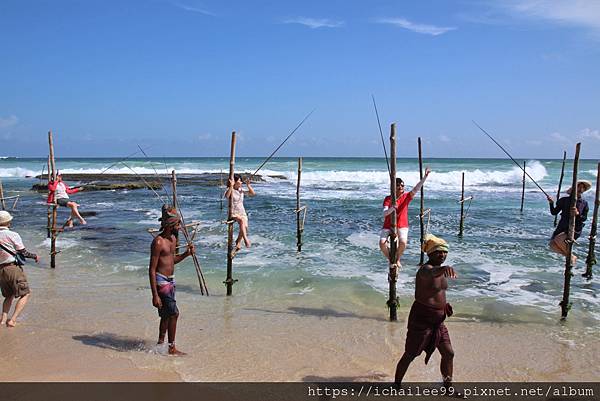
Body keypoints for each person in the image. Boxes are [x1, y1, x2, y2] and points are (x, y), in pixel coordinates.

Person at [394, 234, 457, 388]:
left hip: (438, 321)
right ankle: (396, 386)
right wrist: (444, 269)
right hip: (422, 320)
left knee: (449, 353)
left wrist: (444, 305)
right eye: (438, 252)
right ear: (429, 254)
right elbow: (431, 274)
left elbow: (436, 293)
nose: (442, 255)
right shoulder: (425, 270)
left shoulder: (440, 271)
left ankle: (448, 388)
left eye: (444, 252)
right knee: (410, 354)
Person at [149, 205, 194, 356]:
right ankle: (171, 348)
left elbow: (171, 260)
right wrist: (154, 294)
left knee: (167, 315)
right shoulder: (158, 242)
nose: (180, 227)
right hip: (161, 281)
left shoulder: (173, 239)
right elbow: (152, 269)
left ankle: (160, 344)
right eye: (177, 224)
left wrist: (187, 254)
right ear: (169, 225)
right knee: (174, 313)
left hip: (171, 281)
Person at [379, 167, 431, 268]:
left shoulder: (406, 197)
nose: (401, 187)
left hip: (402, 224)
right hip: (388, 225)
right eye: (398, 185)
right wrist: (392, 208)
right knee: (382, 243)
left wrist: (425, 177)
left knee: (403, 242)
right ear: (394, 187)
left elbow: (416, 188)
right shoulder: (388, 199)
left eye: (402, 185)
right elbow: (385, 213)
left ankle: (397, 259)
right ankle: (390, 259)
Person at [0, 211, 39, 328]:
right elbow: (23, 252)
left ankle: (3, 320)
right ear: (8, 222)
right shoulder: (13, 235)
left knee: (8, 296)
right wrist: (35, 256)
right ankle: (13, 320)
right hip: (12, 268)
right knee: (26, 294)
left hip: (0, 269)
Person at [547, 180, 591, 265]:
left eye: (582, 187)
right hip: (562, 226)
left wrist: (577, 214)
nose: (580, 188)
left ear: (583, 190)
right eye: (579, 186)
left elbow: (584, 218)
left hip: (574, 228)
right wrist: (551, 203)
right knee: (552, 245)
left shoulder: (584, 203)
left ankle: (571, 257)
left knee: (558, 239)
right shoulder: (564, 200)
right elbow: (554, 212)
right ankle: (570, 256)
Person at [224, 174, 255, 252]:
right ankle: (245, 239)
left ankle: (238, 241)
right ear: (234, 182)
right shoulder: (230, 189)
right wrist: (231, 186)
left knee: (245, 227)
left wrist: (248, 185)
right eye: (239, 181)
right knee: (241, 221)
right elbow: (227, 196)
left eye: (241, 181)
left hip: (242, 211)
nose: (241, 182)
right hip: (233, 212)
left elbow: (252, 193)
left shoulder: (241, 190)